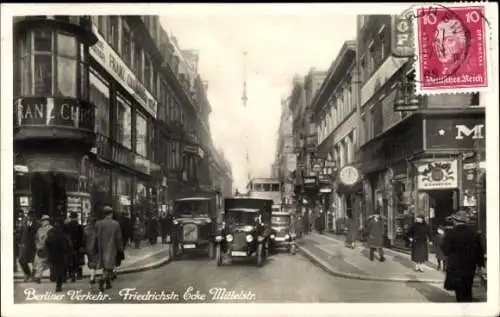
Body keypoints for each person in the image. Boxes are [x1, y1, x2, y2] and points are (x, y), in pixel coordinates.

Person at [441, 210, 485, 302]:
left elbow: (445, 250)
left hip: (455, 266)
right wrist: (480, 264)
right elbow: (479, 250)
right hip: (469, 265)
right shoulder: (474, 233)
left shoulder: (450, 233)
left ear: (455, 221)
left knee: (459, 291)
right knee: (467, 288)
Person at [96, 206, 123, 292]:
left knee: (105, 266)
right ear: (111, 214)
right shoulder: (115, 224)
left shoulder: (98, 223)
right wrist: (120, 248)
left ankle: (108, 283)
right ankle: (102, 280)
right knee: (109, 267)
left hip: (100, 248)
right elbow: (118, 238)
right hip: (111, 247)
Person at [45, 217, 71, 292]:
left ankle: (55, 279)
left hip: (53, 253)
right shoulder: (64, 231)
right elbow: (68, 243)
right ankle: (59, 284)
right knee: (61, 269)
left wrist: (49, 250)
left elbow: (47, 242)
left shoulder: (50, 231)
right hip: (62, 253)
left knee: (55, 268)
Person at [64, 212, 85, 282]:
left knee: (70, 261)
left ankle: (71, 275)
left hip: (69, 246)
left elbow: (65, 237)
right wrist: (82, 245)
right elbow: (83, 237)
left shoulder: (66, 226)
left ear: (70, 217)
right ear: (76, 217)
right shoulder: (80, 226)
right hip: (78, 246)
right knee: (79, 261)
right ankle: (79, 275)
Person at [32, 215, 53, 283]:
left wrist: (38, 246)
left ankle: (38, 277)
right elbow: (37, 239)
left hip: (44, 248)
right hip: (44, 248)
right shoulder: (44, 229)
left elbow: (37, 239)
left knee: (41, 263)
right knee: (42, 263)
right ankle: (51, 276)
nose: (43, 222)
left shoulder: (43, 229)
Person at [18, 212, 37, 281]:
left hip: (33, 245)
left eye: (30, 217)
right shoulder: (24, 223)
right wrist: (19, 242)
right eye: (28, 217)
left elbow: (36, 233)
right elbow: (20, 232)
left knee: (35, 262)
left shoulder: (36, 224)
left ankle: (33, 276)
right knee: (21, 260)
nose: (29, 218)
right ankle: (28, 274)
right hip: (24, 245)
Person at [83, 216, 99, 285]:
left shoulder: (85, 229)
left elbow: (83, 240)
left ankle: (92, 277)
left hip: (87, 248)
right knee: (94, 262)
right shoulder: (97, 229)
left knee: (90, 262)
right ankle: (92, 277)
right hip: (95, 248)